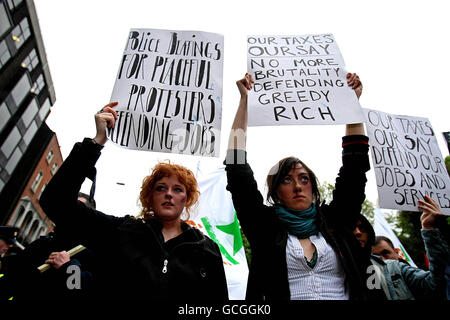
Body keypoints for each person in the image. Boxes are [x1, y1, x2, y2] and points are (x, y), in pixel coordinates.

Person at [39, 104, 228, 300]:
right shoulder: (123, 231)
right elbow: (55, 202)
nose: (169, 194)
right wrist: (96, 143)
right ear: (149, 196)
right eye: (161, 188)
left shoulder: (206, 250)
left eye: (178, 189)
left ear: (186, 199)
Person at [225, 72, 374, 300]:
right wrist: (244, 101)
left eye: (304, 179)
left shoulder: (336, 220)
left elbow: (354, 167)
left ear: (313, 188)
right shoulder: (264, 227)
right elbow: (237, 168)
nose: (297, 186)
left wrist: (352, 105)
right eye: (287, 180)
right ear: (275, 193)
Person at [353, 196, 449, 300]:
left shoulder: (400, 270)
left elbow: (436, 284)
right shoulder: (344, 269)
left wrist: (430, 230)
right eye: (375, 257)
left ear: (397, 253)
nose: (381, 260)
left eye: (385, 253)